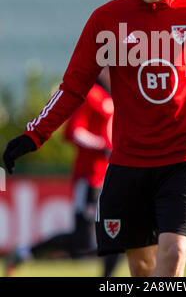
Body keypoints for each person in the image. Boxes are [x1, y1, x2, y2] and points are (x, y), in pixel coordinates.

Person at [2, 0, 186, 277]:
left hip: (184, 159)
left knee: (172, 258)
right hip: (129, 163)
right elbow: (73, 87)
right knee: (142, 268)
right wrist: (34, 134)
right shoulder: (106, 20)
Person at [4, 77, 119, 277]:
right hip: (90, 177)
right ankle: (24, 252)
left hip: (112, 176)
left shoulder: (115, 93)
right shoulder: (90, 94)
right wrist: (102, 146)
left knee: (117, 233)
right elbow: (74, 132)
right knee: (82, 238)